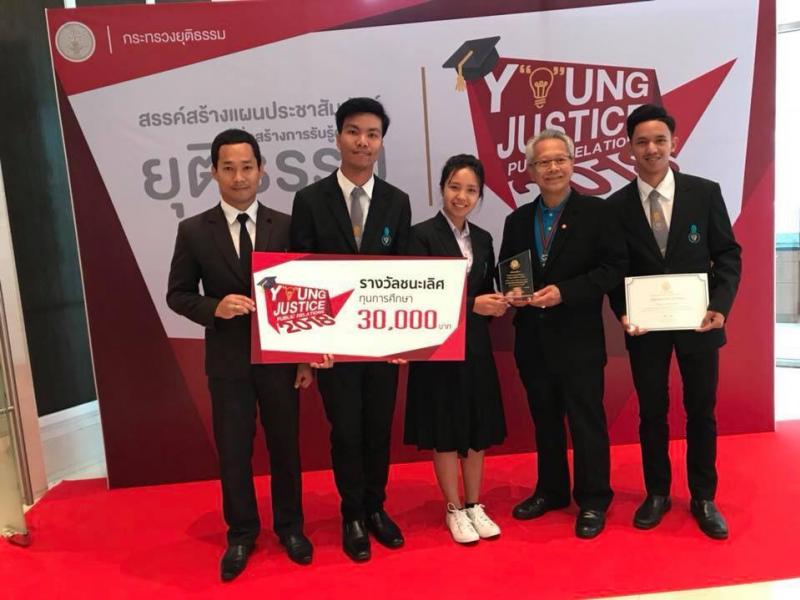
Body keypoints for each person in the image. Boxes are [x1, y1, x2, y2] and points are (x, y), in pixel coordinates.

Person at [167, 129, 324, 581]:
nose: (239, 177)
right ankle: (241, 533)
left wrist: (304, 358)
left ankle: (290, 527)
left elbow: (306, 294)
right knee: (234, 452)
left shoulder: (287, 226)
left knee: (285, 448)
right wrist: (214, 308)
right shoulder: (193, 230)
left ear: (262, 170)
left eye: (247, 167)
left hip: (281, 361)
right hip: (227, 362)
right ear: (213, 172)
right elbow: (178, 294)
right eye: (229, 168)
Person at [608, 104, 741, 539]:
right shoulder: (616, 206)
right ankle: (657, 493)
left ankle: (703, 496)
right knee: (652, 412)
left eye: (660, 140)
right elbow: (613, 269)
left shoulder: (705, 193)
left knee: (701, 410)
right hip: (645, 329)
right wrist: (623, 310)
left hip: (699, 323)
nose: (652, 149)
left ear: (674, 143)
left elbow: (728, 255)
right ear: (629, 148)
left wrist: (720, 305)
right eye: (642, 142)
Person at [290, 97, 411, 562]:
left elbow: (404, 276)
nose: (363, 142)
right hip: (333, 347)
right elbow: (300, 275)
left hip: (382, 344)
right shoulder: (309, 200)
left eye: (373, 134)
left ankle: (376, 507)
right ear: (338, 137)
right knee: (346, 431)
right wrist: (308, 346)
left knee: (379, 428)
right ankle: (353, 514)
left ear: (381, 142)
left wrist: (403, 339)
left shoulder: (397, 202)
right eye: (354, 132)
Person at [499, 129, 627, 539]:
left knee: (586, 421)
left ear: (573, 164)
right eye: (543, 162)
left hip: (579, 339)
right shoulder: (517, 220)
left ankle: (593, 499)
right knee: (545, 420)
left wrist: (565, 293)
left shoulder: (597, 212)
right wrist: (511, 294)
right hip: (531, 339)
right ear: (530, 170)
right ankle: (551, 490)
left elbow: (613, 269)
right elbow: (508, 269)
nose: (552, 168)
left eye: (560, 159)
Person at [404, 154, 508, 544]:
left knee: (477, 427)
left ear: (479, 196)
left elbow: (486, 288)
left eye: (471, 190)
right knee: (445, 429)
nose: (461, 197)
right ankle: (453, 508)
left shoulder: (483, 238)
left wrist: (499, 301)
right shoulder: (420, 236)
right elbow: (418, 297)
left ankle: (474, 503)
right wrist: (473, 305)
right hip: (437, 350)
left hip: (476, 346)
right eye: (454, 187)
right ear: (441, 188)